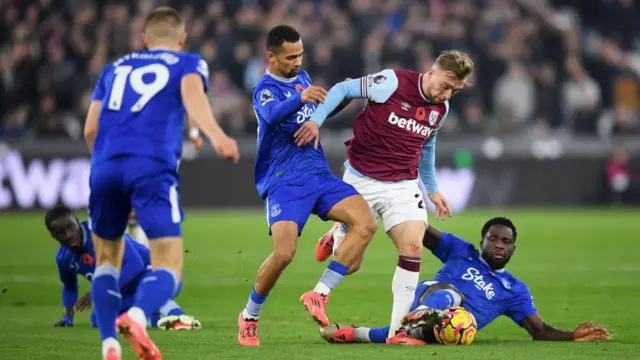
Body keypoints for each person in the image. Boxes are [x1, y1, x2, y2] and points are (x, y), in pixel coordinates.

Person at [83, 6, 239, 360]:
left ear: (144, 39)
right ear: (182, 39)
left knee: (106, 262)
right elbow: (192, 97)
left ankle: (109, 345)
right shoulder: (187, 63)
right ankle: (137, 317)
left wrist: (106, 167)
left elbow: (90, 129)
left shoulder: (114, 68)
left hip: (104, 166)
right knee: (169, 264)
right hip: (151, 166)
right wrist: (216, 135)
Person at [295, 51, 473, 343]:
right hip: (361, 179)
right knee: (352, 264)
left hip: (402, 185)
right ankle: (333, 237)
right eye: (446, 84)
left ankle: (397, 330)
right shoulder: (391, 81)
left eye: (454, 89)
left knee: (414, 245)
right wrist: (316, 121)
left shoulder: (442, 109)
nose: (447, 93)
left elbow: (426, 148)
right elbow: (343, 89)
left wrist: (432, 188)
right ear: (432, 71)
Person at [238, 24, 377, 347]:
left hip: (318, 173)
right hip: (285, 179)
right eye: (290, 57)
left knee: (366, 224)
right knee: (284, 254)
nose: (297, 61)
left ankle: (319, 293)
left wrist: (342, 98)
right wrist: (302, 96)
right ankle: (249, 315)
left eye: (300, 54)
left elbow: (316, 112)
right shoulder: (264, 89)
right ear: (271, 57)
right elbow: (272, 116)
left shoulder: (302, 78)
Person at [319, 218, 611, 344]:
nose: (498, 245)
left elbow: (539, 330)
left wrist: (571, 335)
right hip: (428, 296)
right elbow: (423, 231)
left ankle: (352, 334)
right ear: (481, 241)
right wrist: (403, 211)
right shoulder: (462, 251)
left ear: (513, 249)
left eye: (505, 241)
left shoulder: (515, 290)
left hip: (451, 331)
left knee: (412, 333)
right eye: (492, 239)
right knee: (452, 294)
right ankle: (421, 316)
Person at [47, 206, 201, 331]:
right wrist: (67, 317)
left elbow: (135, 265)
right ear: (54, 236)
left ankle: (179, 318)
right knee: (98, 319)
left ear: (77, 222)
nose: (68, 235)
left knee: (147, 290)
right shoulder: (64, 258)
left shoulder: (103, 233)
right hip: (127, 290)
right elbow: (69, 287)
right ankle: (154, 319)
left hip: (161, 273)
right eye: (61, 232)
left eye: (70, 227)